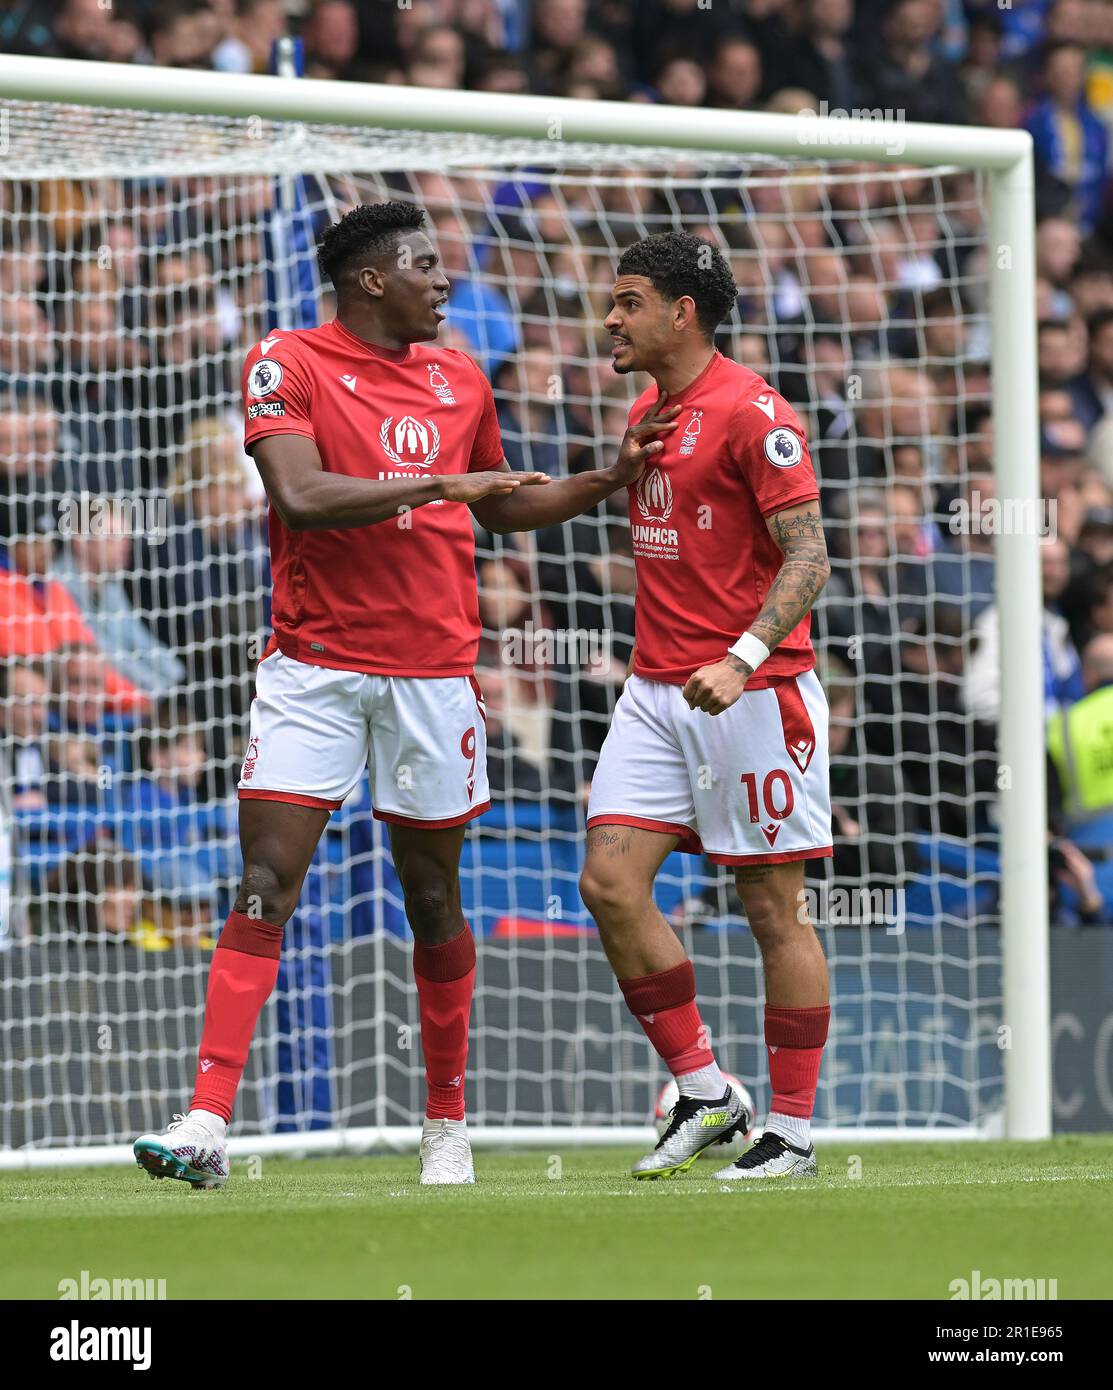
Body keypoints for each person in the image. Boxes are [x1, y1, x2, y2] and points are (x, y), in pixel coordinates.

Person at [133, 200, 669, 1188]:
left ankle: (446, 1124)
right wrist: (429, 490)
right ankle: (208, 1118)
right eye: (425, 263)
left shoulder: (460, 374)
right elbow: (300, 496)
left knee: (432, 896)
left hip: (433, 672)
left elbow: (499, 500)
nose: (445, 279)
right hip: (316, 668)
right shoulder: (286, 362)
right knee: (266, 883)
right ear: (370, 279)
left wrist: (606, 478)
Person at [578, 232, 833, 1182]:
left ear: (682, 312)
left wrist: (743, 655)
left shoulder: (753, 412)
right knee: (607, 884)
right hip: (654, 689)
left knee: (772, 911)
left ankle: (793, 1135)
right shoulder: (651, 412)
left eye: (628, 299)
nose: (611, 317)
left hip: (751, 692)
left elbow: (809, 556)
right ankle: (703, 1089)